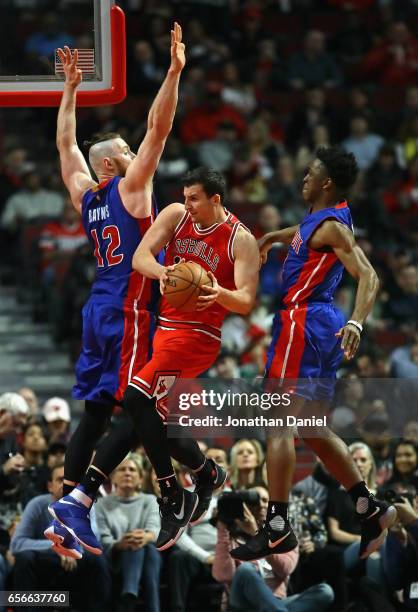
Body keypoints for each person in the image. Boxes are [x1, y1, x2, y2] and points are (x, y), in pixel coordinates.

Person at [48, 167, 258, 555]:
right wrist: (165, 272)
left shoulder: (240, 240)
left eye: (195, 198)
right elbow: (141, 257)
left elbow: (246, 300)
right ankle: (206, 472)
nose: (187, 203)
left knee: (134, 398)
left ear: (216, 199)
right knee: (144, 420)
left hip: (198, 338)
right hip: (163, 329)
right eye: (185, 195)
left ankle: (170, 494)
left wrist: (216, 291)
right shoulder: (176, 215)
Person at [45, 24, 186, 555]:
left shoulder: (85, 194)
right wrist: (173, 72)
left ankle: (67, 513)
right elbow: (160, 127)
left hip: (97, 308)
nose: (135, 152)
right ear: (112, 164)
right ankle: (92, 497)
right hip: (129, 309)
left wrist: (71, 90)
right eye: (126, 150)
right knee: (137, 402)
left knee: (95, 413)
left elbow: (64, 142)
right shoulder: (130, 188)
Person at [231, 146, 396, 562]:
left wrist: (357, 322)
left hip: (302, 325)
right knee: (312, 429)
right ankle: (368, 507)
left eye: (310, 173)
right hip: (319, 326)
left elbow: (369, 275)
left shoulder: (335, 228)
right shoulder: (325, 216)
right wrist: (274, 236)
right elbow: (305, 232)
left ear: (325, 182)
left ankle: (277, 526)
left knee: (279, 425)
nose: (303, 177)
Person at [11, 464, 110, 612]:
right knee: (24, 558)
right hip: (45, 562)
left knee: (98, 560)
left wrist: (69, 548)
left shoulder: (86, 505)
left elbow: (94, 543)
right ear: (50, 486)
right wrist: (57, 548)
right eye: (61, 480)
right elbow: (17, 544)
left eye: (73, 481)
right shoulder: (37, 504)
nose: (67, 484)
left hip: (76, 564)